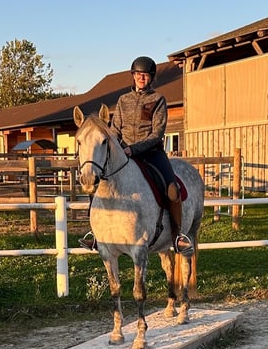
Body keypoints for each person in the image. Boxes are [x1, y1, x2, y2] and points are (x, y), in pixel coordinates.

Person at [79, 56, 193, 255]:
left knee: (173, 190)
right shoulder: (123, 100)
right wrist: (117, 148)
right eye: (138, 74)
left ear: (151, 78)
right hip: (123, 154)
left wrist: (134, 149)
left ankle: (177, 237)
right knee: (98, 184)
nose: (142, 78)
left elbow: (156, 133)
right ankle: (97, 234)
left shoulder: (158, 100)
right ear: (133, 76)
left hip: (152, 153)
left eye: (145, 75)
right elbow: (115, 130)